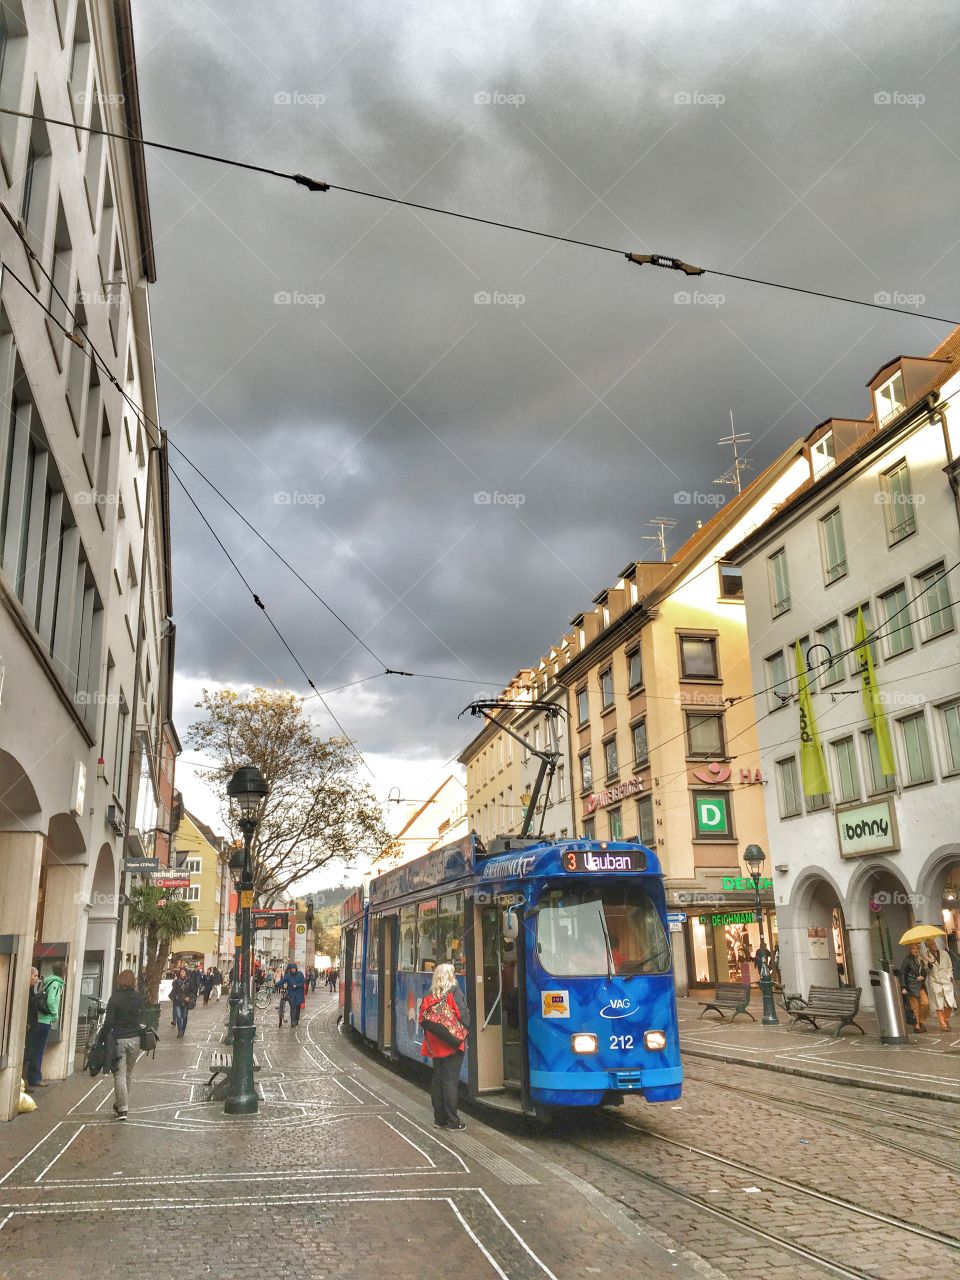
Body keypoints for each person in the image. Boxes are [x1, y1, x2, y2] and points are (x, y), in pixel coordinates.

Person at [419, 963, 469, 1130]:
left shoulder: (429, 995)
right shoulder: (454, 992)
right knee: (450, 1083)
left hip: (435, 1046)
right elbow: (464, 1016)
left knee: (438, 1080)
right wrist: (462, 1033)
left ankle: (439, 1119)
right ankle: (452, 1121)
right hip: (453, 1046)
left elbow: (422, 1019)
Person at [102, 969, 146, 1121]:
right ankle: (122, 1104)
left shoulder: (115, 998)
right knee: (128, 1074)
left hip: (119, 1039)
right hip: (135, 1039)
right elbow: (142, 1016)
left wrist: (102, 1037)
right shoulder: (138, 997)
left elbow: (108, 1022)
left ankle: (122, 1109)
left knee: (119, 1074)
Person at [23, 962, 66, 1091]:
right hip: (44, 1021)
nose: (36, 978)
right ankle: (35, 1078)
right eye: (34, 975)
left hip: (38, 1020)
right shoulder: (56, 984)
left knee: (32, 1049)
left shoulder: (47, 982)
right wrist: (55, 1015)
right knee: (38, 1050)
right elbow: (51, 1000)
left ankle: (32, 1077)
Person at [924, 940, 956, 1031]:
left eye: (934, 943)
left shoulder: (944, 953)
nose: (934, 945)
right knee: (938, 1004)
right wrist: (929, 964)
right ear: (928, 947)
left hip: (946, 980)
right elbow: (926, 970)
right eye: (931, 945)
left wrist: (950, 975)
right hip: (935, 982)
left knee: (950, 1003)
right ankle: (942, 1023)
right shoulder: (926, 957)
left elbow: (950, 966)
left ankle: (945, 1019)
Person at [900, 942, 929, 1033]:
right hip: (911, 986)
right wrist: (903, 987)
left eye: (917, 949)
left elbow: (924, 972)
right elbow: (902, 973)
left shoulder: (920, 960)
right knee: (914, 1006)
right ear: (910, 950)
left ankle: (921, 1021)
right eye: (914, 949)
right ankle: (916, 1026)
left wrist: (923, 977)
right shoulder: (907, 960)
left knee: (925, 1003)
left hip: (920, 985)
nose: (916, 950)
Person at [171, 966, 194, 1038]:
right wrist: (174, 981)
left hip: (185, 1002)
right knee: (178, 1016)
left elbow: (193, 991)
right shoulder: (177, 981)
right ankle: (179, 1031)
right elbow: (173, 989)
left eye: (183, 972)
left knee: (184, 1017)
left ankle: (183, 1030)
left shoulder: (189, 981)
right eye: (181, 972)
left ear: (186, 973)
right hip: (178, 1001)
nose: (182, 973)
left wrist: (189, 997)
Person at [280, 962, 306, 1027]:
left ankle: (296, 1019)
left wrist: (296, 985)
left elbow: (303, 982)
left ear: (296, 969)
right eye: (292, 969)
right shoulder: (289, 975)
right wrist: (276, 984)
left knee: (298, 1007)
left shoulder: (300, 974)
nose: (293, 970)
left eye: (294, 969)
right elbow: (283, 980)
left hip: (299, 993)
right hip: (292, 993)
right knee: (293, 1007)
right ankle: (293, 1021)